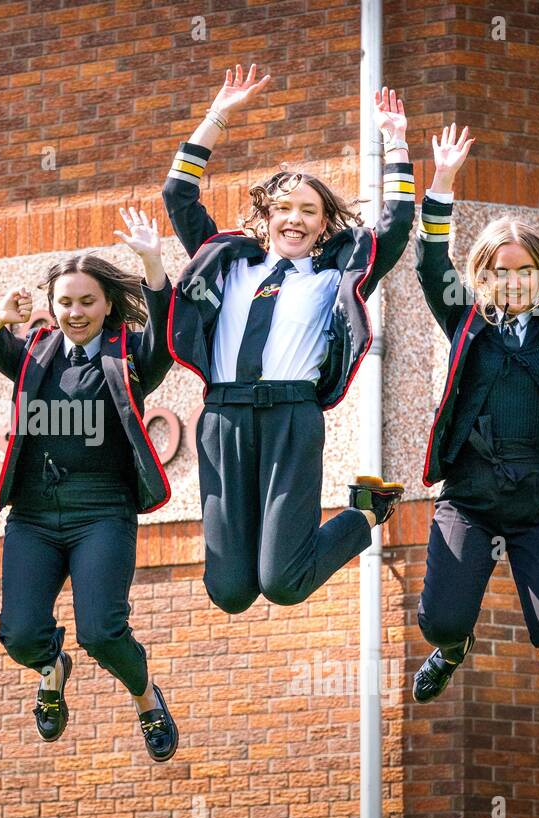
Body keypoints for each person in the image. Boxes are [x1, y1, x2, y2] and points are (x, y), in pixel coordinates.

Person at [161, 65, 416, 614]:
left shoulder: (333, 278)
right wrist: (218, 116)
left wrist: (395, 144)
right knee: (229, 592)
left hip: (291, 417)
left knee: (283, 581)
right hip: (222, 418)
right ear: (265, 217)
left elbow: (393, 228)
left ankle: (364, 513)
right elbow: (178, 193)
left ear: (325, 226)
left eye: (309, 212)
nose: (294, 220)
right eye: (284, 209)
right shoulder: (228, 264)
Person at [0, 195, 179, 761]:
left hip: (101, 512)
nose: (75, 311)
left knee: (101, 632)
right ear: (51, 306)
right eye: (65, 302)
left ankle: (146, 696)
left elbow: (166, 335)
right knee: (20, 634)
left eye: (87, 302)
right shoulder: (33, 355)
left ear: (106, 306)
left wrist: (154, 264)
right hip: (33, 516)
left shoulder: (129, 359)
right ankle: (52, 667)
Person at [412, 127, 539, 701]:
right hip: (469, 492)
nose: (513, 281)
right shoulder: (464, 320)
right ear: (483, 278)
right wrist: (444, 180)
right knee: (441, 621)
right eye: (499, 271)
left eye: (524, 270)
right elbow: (430, 262)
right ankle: (452, 651)